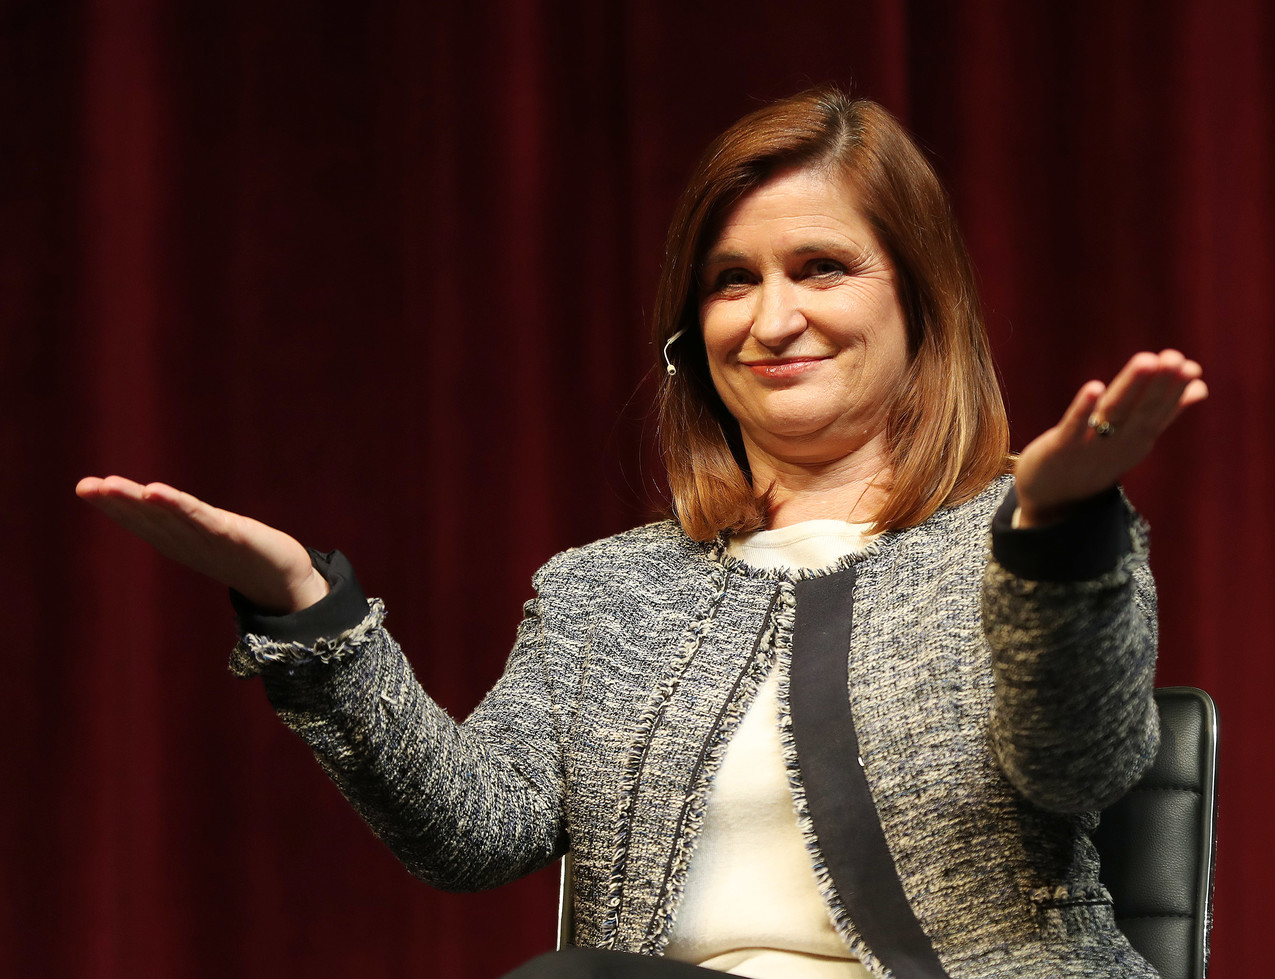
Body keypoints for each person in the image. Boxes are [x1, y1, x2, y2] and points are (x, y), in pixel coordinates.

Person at [77, 88, 1206, 979]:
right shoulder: (604, 591)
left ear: (920, 303)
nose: (772, 318)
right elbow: (469, 832)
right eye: (731, 281)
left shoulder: (1022, 537)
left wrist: (1054, 539)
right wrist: (304, 607)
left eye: (820, 267)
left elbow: (1082, 761)